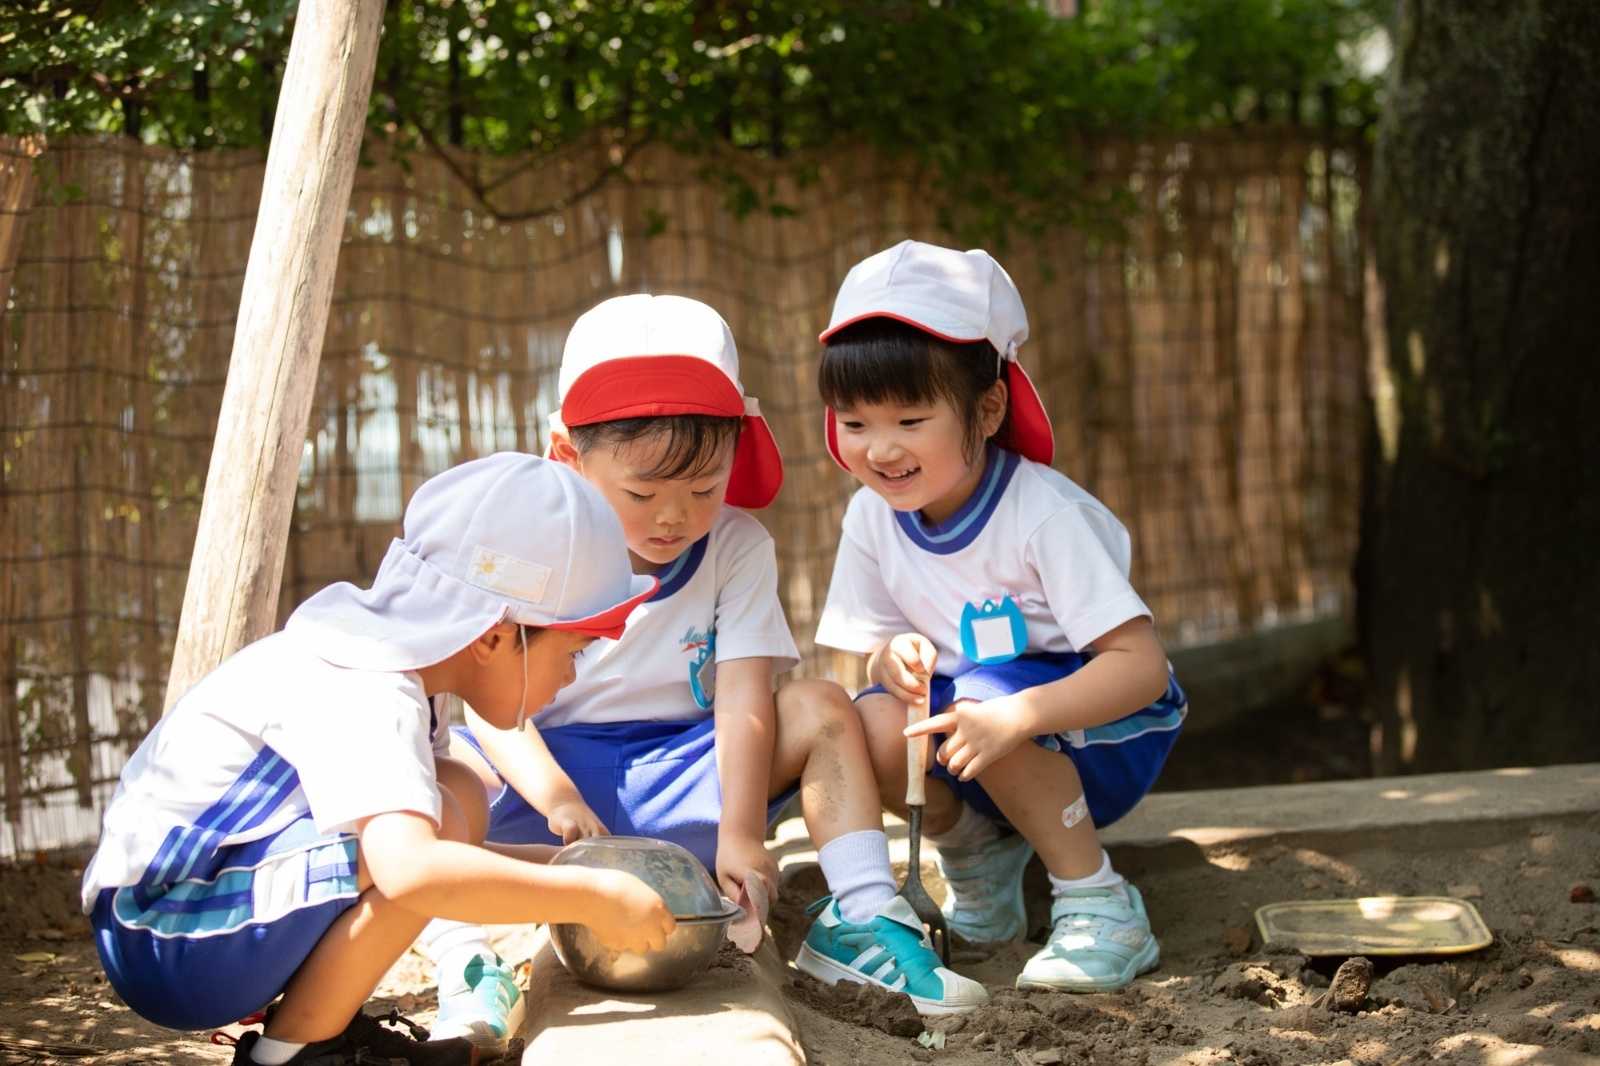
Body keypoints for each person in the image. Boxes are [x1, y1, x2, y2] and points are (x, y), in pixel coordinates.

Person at [426, 294, 987, 1043]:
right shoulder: (528, 542)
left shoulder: (735, 546)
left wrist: (744, 833)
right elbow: (485, 702)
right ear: (568, 453)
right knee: (436, 779)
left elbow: (745, 698)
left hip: (693, 776)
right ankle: (467, 964)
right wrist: (557, 795)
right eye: (641, 492)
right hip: (545, 797)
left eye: (702, 488)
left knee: (822, 705)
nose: (673, 517)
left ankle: (859, 916)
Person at [79, 453, 676, 1065]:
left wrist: (571, 866)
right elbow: (413, 871)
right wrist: (588, 896)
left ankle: (318, 1030)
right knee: (439, 818)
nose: (570, 678)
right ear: (497, 637)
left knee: (455, 793)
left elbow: (428, 860)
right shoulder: (371, 681)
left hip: (198, 919)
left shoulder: (412, 675)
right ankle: (296, 1056)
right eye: (572, 653)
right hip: (168, 935)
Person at [812, 240, 1188, 993]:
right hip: (985, 731)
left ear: (987, 407)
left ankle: (1101, 902)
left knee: (984, 694)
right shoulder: (871, 518)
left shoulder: (1041, 514)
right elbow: (877, 646)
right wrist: (894, 659)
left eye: (911, 419)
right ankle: (980, 863)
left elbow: (1142, 669)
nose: (880, 449)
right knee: (877, 720)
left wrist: (1017, 714)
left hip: (1105, 729)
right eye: (854, 423)